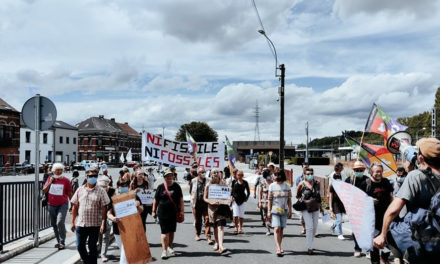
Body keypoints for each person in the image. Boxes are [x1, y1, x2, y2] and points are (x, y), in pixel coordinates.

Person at [373, 138, 440, 263]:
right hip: (437, 240)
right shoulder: (417, 174)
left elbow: (393, 210)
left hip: (420, 240)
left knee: (393, 233)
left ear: (420, 159)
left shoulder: (415, 176)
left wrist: (382, 235)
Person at [71, 166, 110, 264]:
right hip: (81, 224)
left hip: (94, 224)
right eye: (90, 175)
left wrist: (103, 223)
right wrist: (72, 222)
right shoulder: (80, 190)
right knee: (79, 246)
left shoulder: (101, 191)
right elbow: (75, 206)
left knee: (92, 247)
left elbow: (104, 207)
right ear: (86, 176)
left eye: (95, 175)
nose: (92, 177)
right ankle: (87, 261)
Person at [362, 163, 393, 264]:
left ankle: (385, 257)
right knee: (374, 245)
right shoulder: (365, 184)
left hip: (386, 218)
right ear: (371, 172)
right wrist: (369, 201)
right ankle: (375, 262)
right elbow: (358, 201)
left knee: (388, 242)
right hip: (372, 220)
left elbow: (391, 196)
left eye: (380, 171)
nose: (379, 173)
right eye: (376, 171)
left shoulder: (386, 182)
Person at [107, 178, 143, 264]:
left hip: (131, 229)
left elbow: (142, 210)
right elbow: (109, 213)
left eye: (126, 186)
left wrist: (137, 206)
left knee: (125, 252)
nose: (124, 187)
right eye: (121, 186)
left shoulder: (133, 196)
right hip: (118, 229)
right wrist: (113, 218)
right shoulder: (113, 199)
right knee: (127, 253)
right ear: (118, 187)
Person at [152, 168, 184, 260]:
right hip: (162, 213)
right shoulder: (160, 187)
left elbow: (181, 200)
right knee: (164, 232)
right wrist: (153, 211)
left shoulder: (176, 186)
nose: (169, 177)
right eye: (167, 176)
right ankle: (164, 251)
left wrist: (182, 211)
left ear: (173, 176)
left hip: (174, 213)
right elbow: (156, 200)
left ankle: (170, 246)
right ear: (164, 177)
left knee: (171, 231)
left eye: (171, 175)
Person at [42, 163, 73, 250]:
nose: (59, 171)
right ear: (53, 171)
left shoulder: (66, 180)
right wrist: (50, 182)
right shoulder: (50, 179)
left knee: (60, 222)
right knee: (54, 224)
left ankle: (62, 241)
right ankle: (58, 241)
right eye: (57, 170)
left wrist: (73, 205)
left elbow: (70, 193)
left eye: (61, 170)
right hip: (51, 204)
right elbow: (44, 191)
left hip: (62, 204)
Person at [345, 160, 369, 257]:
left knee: (366, 230)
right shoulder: (349, 180)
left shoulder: (368, 180)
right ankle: (357, 248)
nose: (359, 171)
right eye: (357, 170)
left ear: (363, 170)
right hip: (354, 208)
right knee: (356, 230)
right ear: (354, 170)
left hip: (365, 208)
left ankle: (368, 249)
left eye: (361, 170)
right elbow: (344, 194)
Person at [203, 169, 229, 254]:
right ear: (211, 175)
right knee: (214, 226)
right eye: (214, 172)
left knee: (220, 226)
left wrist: (229, 200)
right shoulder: (208, 185)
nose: (216, 174)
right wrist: (210, 202)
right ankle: (217, 242)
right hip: (212, 208)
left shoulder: (224, 184)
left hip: (221, 207)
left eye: (217, 172)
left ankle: (221, 246)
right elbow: (205, 198)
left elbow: (227, 195)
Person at [296, 168, 321, 255]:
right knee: (309, 227)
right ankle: (310, 247)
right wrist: (302, 200)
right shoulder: (301, 184)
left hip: (316, 207)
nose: (310, 175)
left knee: (314, 227)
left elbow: (319, 194)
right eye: (308, 174)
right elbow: (297, 195)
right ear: (304, 175)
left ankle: (311, 242)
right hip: (306, 207)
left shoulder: (317, 183)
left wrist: (322, 207)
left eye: (311, 173)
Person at [267, 170, 292, 256]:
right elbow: (269, 200)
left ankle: (280, 246)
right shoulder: (272, 186)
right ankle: (278, 247)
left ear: (281, 176)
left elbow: (289, 199)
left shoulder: (287, 186)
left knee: (281, 229)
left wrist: (290, 210)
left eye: (278, 175)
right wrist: (268, 211)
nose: (276, 177)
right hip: (275, 210)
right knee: (276, 228)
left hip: (284, 210)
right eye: (275, 175)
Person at [189, 167, 212, 243]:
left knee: (207, 220)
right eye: (202, 172)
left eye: (204, 172)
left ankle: (208, 237)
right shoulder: (194, 181)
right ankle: (197, 234)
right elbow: (191, 191)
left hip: (206, 204)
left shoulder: (209, 180)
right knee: (198, 220)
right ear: (198, 173)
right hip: (197, 203)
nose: (203, 173)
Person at [97, 176, 115, 262]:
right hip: (97, 216)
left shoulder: (112, 191)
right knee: (99, 236)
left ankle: (103, 254)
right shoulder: (96, 191)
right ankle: (100, 249)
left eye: (104, 186)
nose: (102, 188)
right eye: (100, 186)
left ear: (108, 185)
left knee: (105, 236)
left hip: (108, 215)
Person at [231, 170, 250, 234]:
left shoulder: (245, 182)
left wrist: (246, 198)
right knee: (236, 215)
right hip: (235, 200)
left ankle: (240, 227)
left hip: (243, 199)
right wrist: (232, 197)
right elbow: (231, 191)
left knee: (241, 215)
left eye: (241, 175)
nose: (239, 176)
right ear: (236, 175)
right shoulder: (234, 182)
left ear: (243, 175)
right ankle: (236, 227)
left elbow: (248, 192)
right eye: (238, 175)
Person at [329, 171, 346, 240]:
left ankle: (333, 226)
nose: (338, 179)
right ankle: (340, 234)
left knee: (339, 219)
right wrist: (330, 207)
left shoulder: (343, 185)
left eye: (339, 178)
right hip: (335, 204)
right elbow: (330, 196)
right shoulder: (332, 186)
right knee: (339, 219)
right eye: (336, 178)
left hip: (341, 204)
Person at [295, 162, 309, 234]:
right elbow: (297, 188)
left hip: (310, 200)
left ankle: (311, 229)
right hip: (302, 199)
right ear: (302, 167)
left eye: (307, 167)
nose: (305, 168)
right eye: (304, 167)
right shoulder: (299, 178)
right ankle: (304, 228)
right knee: (302, 216)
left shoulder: (311, 177)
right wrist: (298, 197)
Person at [258, 169, 273, 235]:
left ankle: (271, 224)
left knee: (271, 215)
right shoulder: (262, 182)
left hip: (272, 201)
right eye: (268, 175)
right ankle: (268, 229)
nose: (269, 176)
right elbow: (260, 192)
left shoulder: (273, 182)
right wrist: (259, 202)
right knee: (265, 216)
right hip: (264, 201)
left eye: (270, 175)